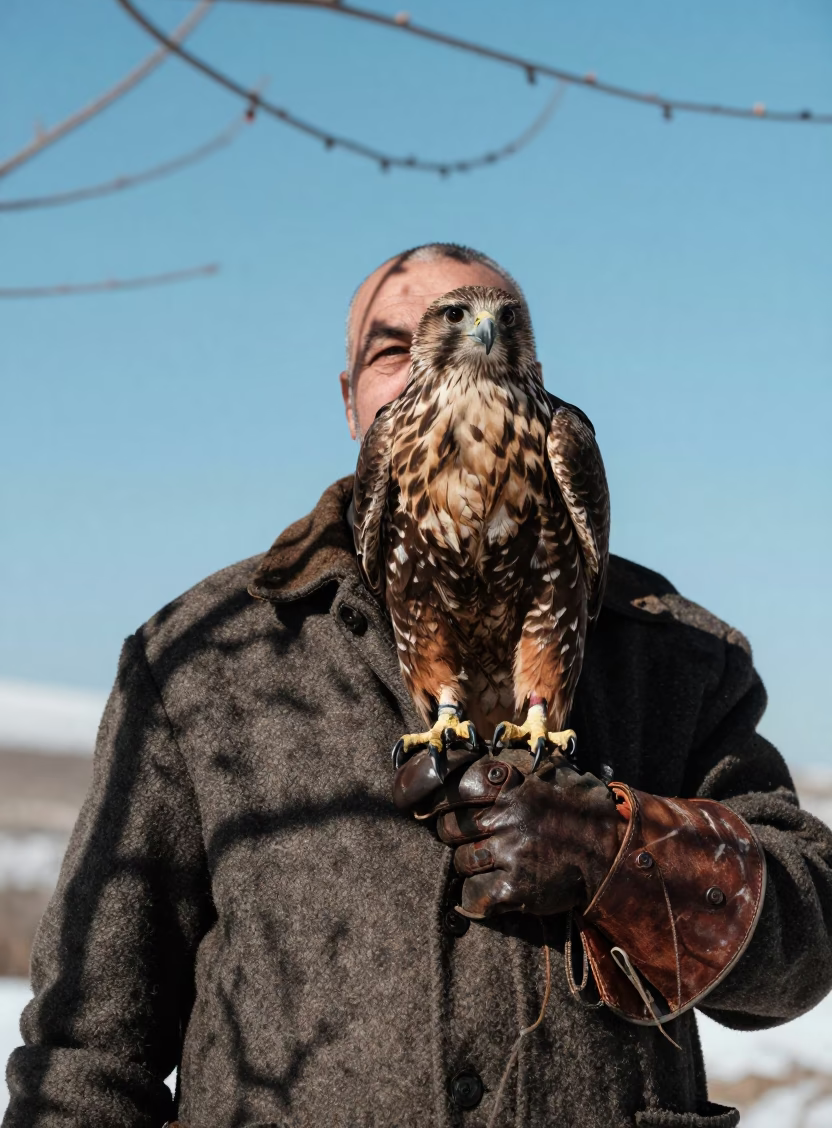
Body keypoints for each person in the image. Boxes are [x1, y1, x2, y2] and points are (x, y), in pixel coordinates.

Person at [4, 242, 832, 1128]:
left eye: (499, 321)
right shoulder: (205, 664)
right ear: (352, 396)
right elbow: (88, 1052)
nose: (463, 342)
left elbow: (808, 935)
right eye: (393, 347)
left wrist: (624, 856)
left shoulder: (672, 654)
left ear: (536, 362)